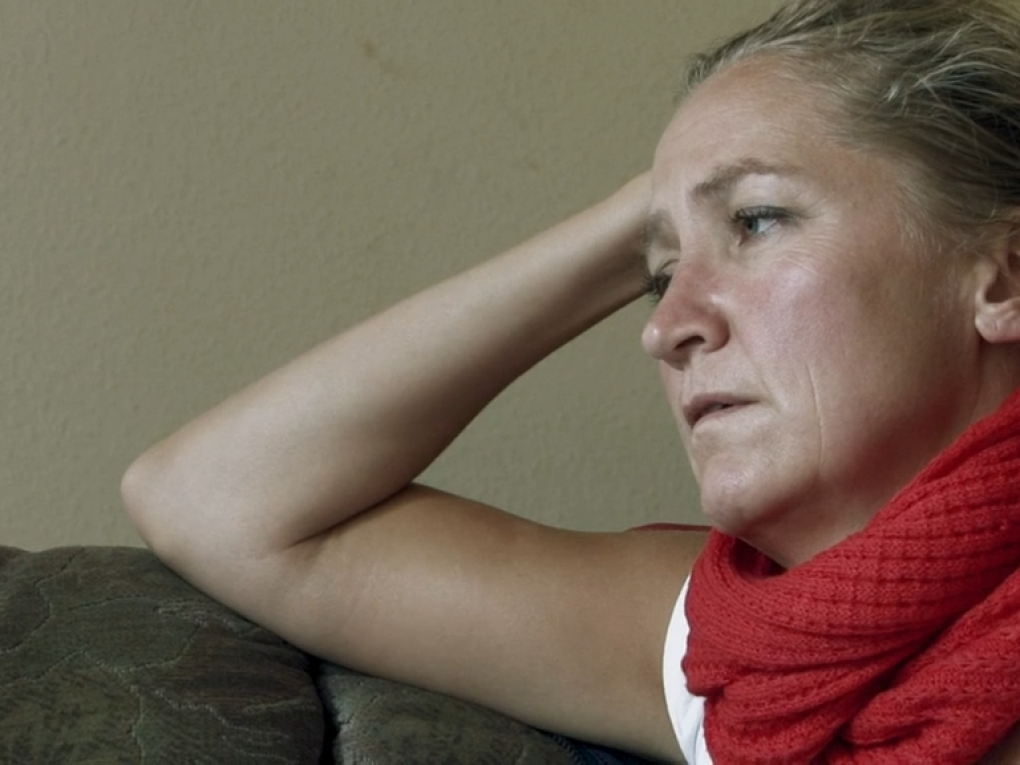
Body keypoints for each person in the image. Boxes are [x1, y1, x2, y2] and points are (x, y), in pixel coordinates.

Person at [122, 0, 1020, 761]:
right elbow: (214, 500)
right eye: (661, 276)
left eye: (756, 220)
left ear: (1005, 276)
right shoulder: (734, 656)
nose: (665, 328)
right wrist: (649, 210)